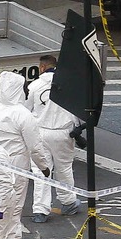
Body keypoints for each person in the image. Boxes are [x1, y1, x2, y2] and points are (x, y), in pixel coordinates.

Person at [0, 71, 50, 239]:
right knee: (14, 203)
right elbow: (35, 146)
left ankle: (15, 238)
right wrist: (43, 166)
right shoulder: (23, 114)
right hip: (15, 164)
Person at [25, 55, 82, 223]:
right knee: (64, 169)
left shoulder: (34, 86)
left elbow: (26, 110)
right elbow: (77, 109)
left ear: (42, 67)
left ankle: (40, 211)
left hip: (40, 132)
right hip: (63, 133)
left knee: (41, 171)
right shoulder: (68, 84)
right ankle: (69, 203)